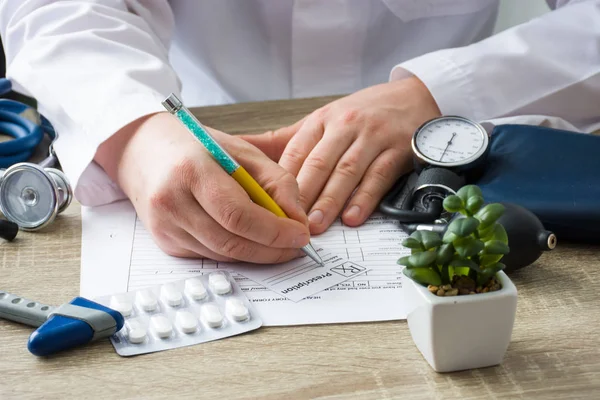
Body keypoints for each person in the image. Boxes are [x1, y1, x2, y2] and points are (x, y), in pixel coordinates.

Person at [1, 1, 598, 263]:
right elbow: (57, 7)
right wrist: (134, 133)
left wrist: (439, 94)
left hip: (453, 148)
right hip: (199, 133)